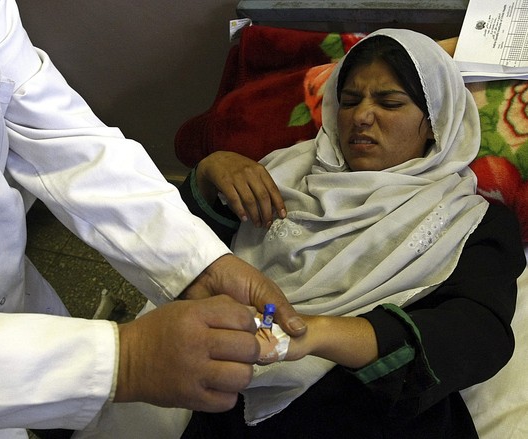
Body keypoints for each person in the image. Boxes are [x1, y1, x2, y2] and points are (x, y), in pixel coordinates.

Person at [0, 1, 308, 438]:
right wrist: (125, 361)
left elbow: (55, 130)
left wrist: (195, 262)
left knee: (64, 413)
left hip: (16, 298)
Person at [178, 29, 526, 437]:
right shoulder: (280, 176)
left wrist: (316, 333)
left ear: (436, 122)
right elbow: (185, 255)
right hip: (235, 392)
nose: (361, 116)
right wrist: (209, 173)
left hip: (375, 406)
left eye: (389, 102)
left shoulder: (470, 220)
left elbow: (477, 333)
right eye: (349, 100)